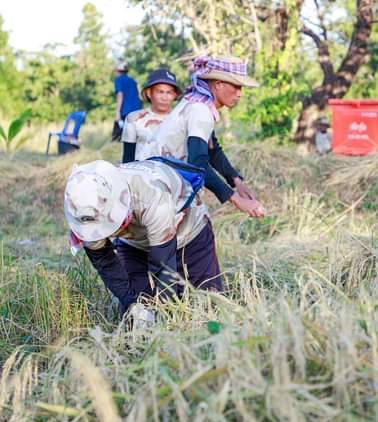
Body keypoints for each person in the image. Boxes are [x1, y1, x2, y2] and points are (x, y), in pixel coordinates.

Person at [64, 159, 223, 324]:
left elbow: (164, 268)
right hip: (134, 242)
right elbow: (104, 262)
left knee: (206, 309)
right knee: (136, 315)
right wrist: (133, 304)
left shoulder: (152, 195)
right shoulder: (81, 208)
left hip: (188, 234)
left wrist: (165, 317)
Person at [146, 55, 265, 218]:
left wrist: (236, 180)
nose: (239, 94)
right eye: (236, 86)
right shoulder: (200, 110)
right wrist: (236, 199)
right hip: (156, 186)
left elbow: (212, 149)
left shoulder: (200, 105)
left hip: (164, 182)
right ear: (218, 84)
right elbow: (198, 162)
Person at [122, 68, 182, 163]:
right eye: (160, 92)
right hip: (142, 173)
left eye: (169, 92)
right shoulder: (134, 119)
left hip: (176, 174)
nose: (164, 97)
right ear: (149, 93)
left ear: (175, 95)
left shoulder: (183, 118)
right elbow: (128, 156)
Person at [112, 62, 142, 142]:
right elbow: (139, 94)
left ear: (118, 71)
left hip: (126, 110)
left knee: (123, 134)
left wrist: (118, 111)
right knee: (135, 133)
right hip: (137, 108)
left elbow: (120, 94)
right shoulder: (133, 80)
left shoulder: (118, 80)